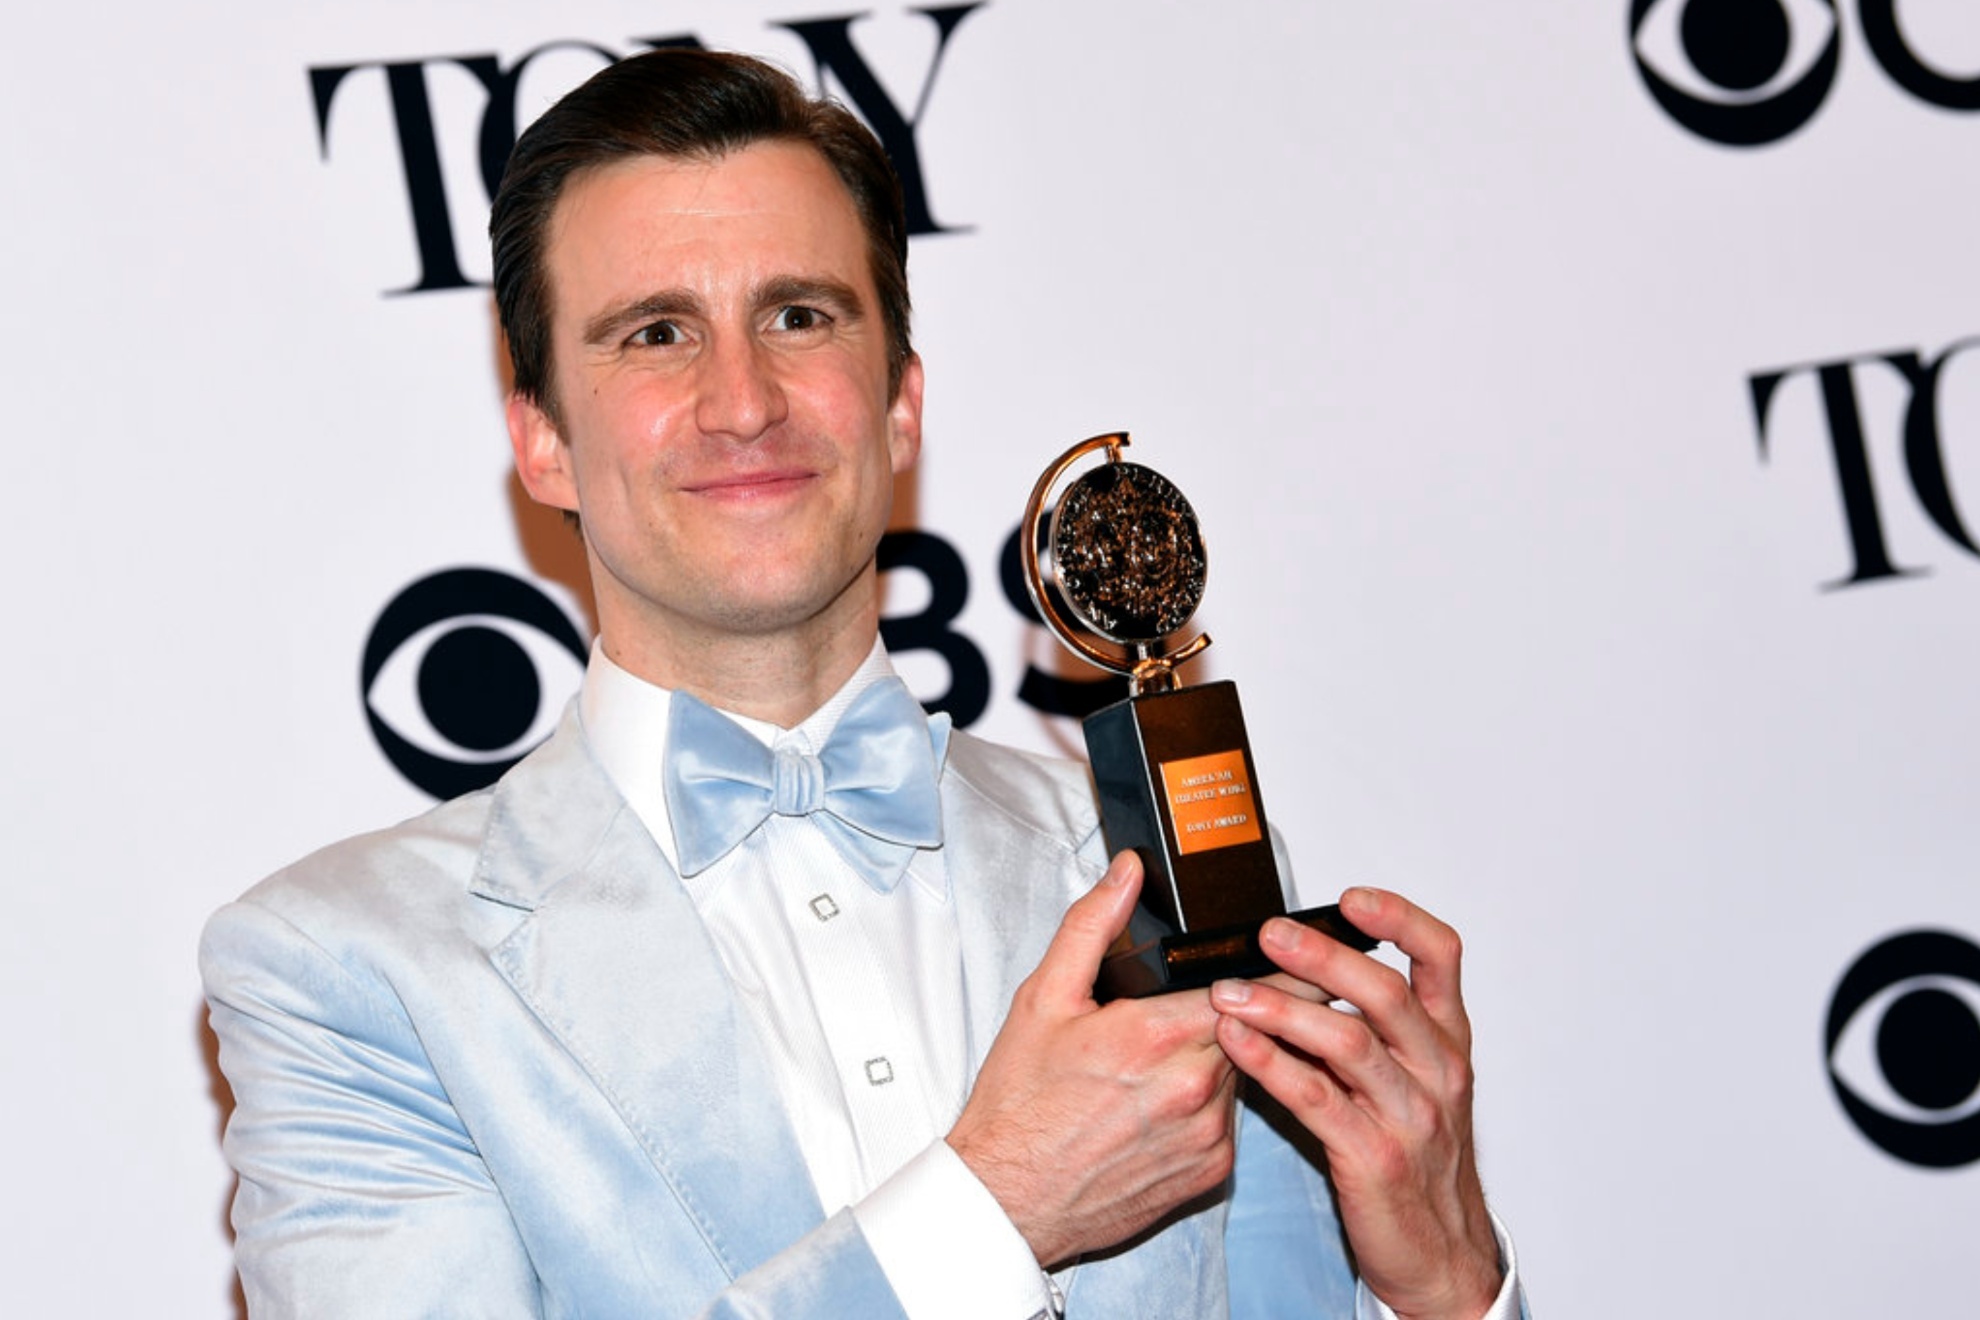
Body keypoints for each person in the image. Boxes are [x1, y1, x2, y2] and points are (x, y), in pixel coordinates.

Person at [202, 48, 1526, 1320]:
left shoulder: (1157, 864)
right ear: (542, 441)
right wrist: (995, 1206)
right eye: (657, 333)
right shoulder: (349, 970)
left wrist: (1448, 1293)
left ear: (899, 406)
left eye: (799, 316)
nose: (743, 400)